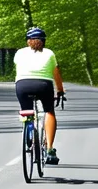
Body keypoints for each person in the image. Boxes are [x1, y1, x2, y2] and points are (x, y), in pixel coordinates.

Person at [14, 26, 65, 164]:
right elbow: (56, 74)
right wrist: (60, 90)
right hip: (44, 85)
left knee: (27, 111)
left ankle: (29, 133)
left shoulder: (19, 53)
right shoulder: (49, 53)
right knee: (49, 111)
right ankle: (49, 149)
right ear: (44, 41)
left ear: (27, 41)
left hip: (23, 85)